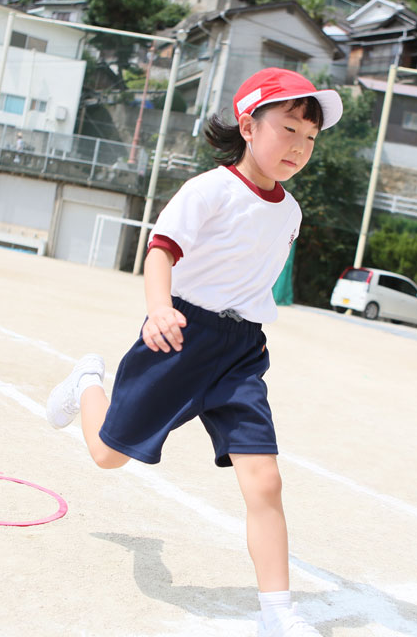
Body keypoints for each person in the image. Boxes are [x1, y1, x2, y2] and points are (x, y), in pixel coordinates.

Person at [45, 68, 342, 637]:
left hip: (241, 352)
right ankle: (85, 381)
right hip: (180, 337)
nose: (300, 147)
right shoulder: (209, 190)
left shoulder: (291, 212)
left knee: (265, 480)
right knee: (108, 456)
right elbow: (161, 250)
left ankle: (277, 614)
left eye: (310, 137)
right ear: (248, 127)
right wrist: (159, 308)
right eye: (288, 130)